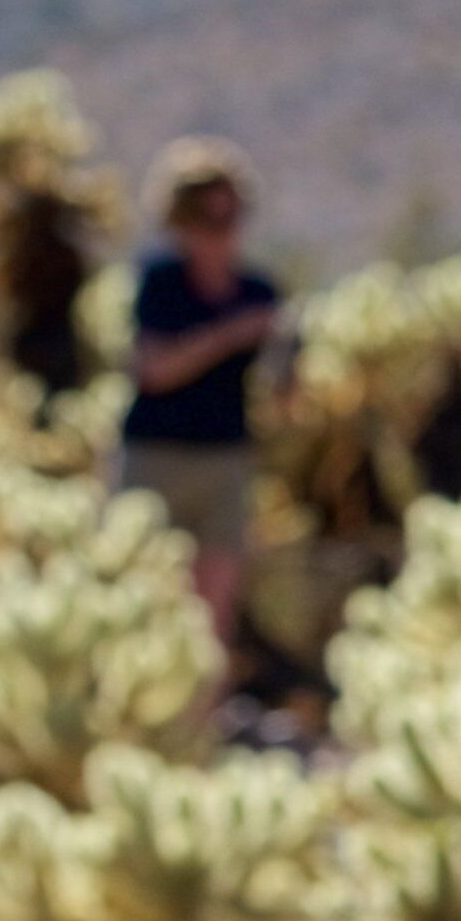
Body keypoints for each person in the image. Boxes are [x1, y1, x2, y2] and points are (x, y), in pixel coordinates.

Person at [122, 138, 282, 634]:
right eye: (207, 219)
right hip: (157, 458)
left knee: (215, 609)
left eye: (230, 218)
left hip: (227, 458)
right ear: (180, 220)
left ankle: (204, 712)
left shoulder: (259, 290)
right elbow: (155, 370)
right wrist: (231, 334)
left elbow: (279, 396)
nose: (221, 232)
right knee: (143, 601)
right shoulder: (160, 284)